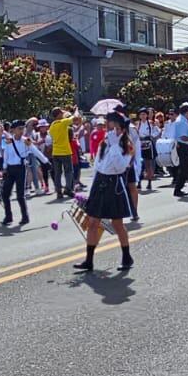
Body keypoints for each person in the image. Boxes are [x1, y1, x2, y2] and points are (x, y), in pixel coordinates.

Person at [74, 111, 136, 271]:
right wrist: (92, 187)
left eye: (113, 126)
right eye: (109, 125)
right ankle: (89, 260)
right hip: (100, 183)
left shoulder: (126, 146)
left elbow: (120, 167)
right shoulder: (104, 143)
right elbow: (98, 166)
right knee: (92, 223)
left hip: (113, 184)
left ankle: (126, 257)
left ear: (121, 129)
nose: (110, 129)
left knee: (117, 224)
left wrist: (115, 145)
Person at [0, 119, 31, 226]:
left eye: (23, 128)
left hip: (20, 168)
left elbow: (34, 150)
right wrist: (4, 168)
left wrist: (45, 161)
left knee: (20, 195)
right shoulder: (8, 141)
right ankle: (8, 216)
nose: (22, 131)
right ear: (13, 130)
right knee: (5, 194)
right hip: (10, 169)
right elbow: (6, 154)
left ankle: (25, 217)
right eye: (19, 129)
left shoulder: (26, 140)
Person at [169, 103, 188, 197]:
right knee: (184, 169)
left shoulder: (183, 120)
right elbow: (183, 137)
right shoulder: (181, 121)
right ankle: (178, 189)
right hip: (183, 147)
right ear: (186, 112)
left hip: (185, 146)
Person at [136, 108, 159, 192]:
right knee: (140, 164)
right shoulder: (137, 124)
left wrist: (152, 136)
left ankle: (149, 182)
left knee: (148, 164)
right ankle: (139, 182)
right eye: (141, 114)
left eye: (144, 114)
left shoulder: (151, 124)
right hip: (140, 143)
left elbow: (157, 131)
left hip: (148, 143)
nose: (143, 116)